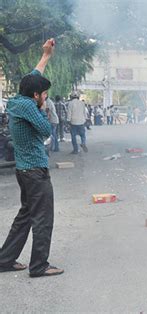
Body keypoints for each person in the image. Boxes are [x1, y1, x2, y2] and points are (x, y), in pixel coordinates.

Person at [0, 38, 64, 277]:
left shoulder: (19, 98)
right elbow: (46, 130)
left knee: (26, 215)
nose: (45, 97)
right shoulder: (29, 107)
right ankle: (39, 265)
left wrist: (46, 56)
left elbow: (33, 74)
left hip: (24, 171)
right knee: (43, 218)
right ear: (36, 95)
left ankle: (5, 259)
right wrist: (42, 107)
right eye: (43, 94)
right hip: (36, 172)